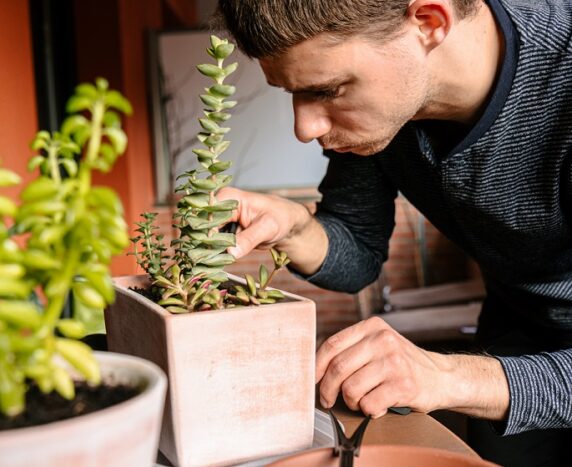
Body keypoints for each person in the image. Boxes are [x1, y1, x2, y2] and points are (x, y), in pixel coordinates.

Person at [214, 0, 572, 465]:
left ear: (428, 22)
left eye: (328, 89)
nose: (305, 128)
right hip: (518, 329)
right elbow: (358, 252)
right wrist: (295, 227)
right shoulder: (388, 116)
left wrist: (448, 378)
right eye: (292, 94)